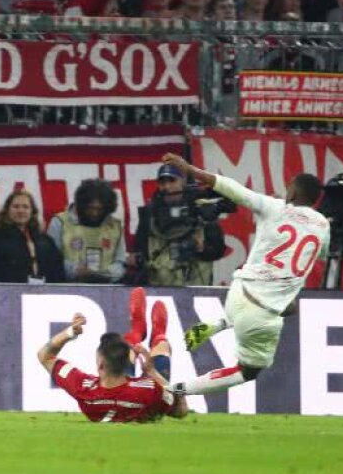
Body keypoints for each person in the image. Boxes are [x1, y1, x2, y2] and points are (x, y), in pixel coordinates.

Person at [163, 153, 328, 397]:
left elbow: (233, 189)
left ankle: (220, 323)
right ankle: (176, 390)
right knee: (247, 371)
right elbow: (319, 255)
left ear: (292, 193)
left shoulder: (274, 207)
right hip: (262, 313)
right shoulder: (323, 225)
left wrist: (191, 170)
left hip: (239, 291)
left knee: (276, 307)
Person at [38, 288, 187, 423]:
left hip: (123, 391)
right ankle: (158, 335)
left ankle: (136, 332)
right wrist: (152, 372)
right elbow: (181, 411)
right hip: (138, 391)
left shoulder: (82, 387)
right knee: (161, 348)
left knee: (120, 350)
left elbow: (45, 356)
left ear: (101, 365)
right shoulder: (151, 389)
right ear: (126, 363)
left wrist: (70, 332)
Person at [131, 164, 227, 286]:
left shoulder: (201, 210)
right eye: (162, 183)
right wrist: (137, 259)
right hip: (161, 289)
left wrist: (201, 248)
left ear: (182, 181)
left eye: (172, 181)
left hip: (197, 287)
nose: (167, 187)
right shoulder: (150, 215)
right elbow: (140, 250)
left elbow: (218, 250)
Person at [0, 190, 65, 284]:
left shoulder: (45, 241)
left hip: (42, 292)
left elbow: (57, 273)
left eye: (25, 207)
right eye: (16, 206)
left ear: (32, 211)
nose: (21, 211)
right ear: (7, 210)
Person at [46, 178, 126, 283]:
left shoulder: (115, 226)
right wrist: (74, 270)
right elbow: (50, 260)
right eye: (91, 208)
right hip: (67, 287)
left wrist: (104, 274)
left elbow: (121, 263)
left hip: (107, 288)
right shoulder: (60, 222)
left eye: (100, 209)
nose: (95, 213)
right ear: (81, 205)